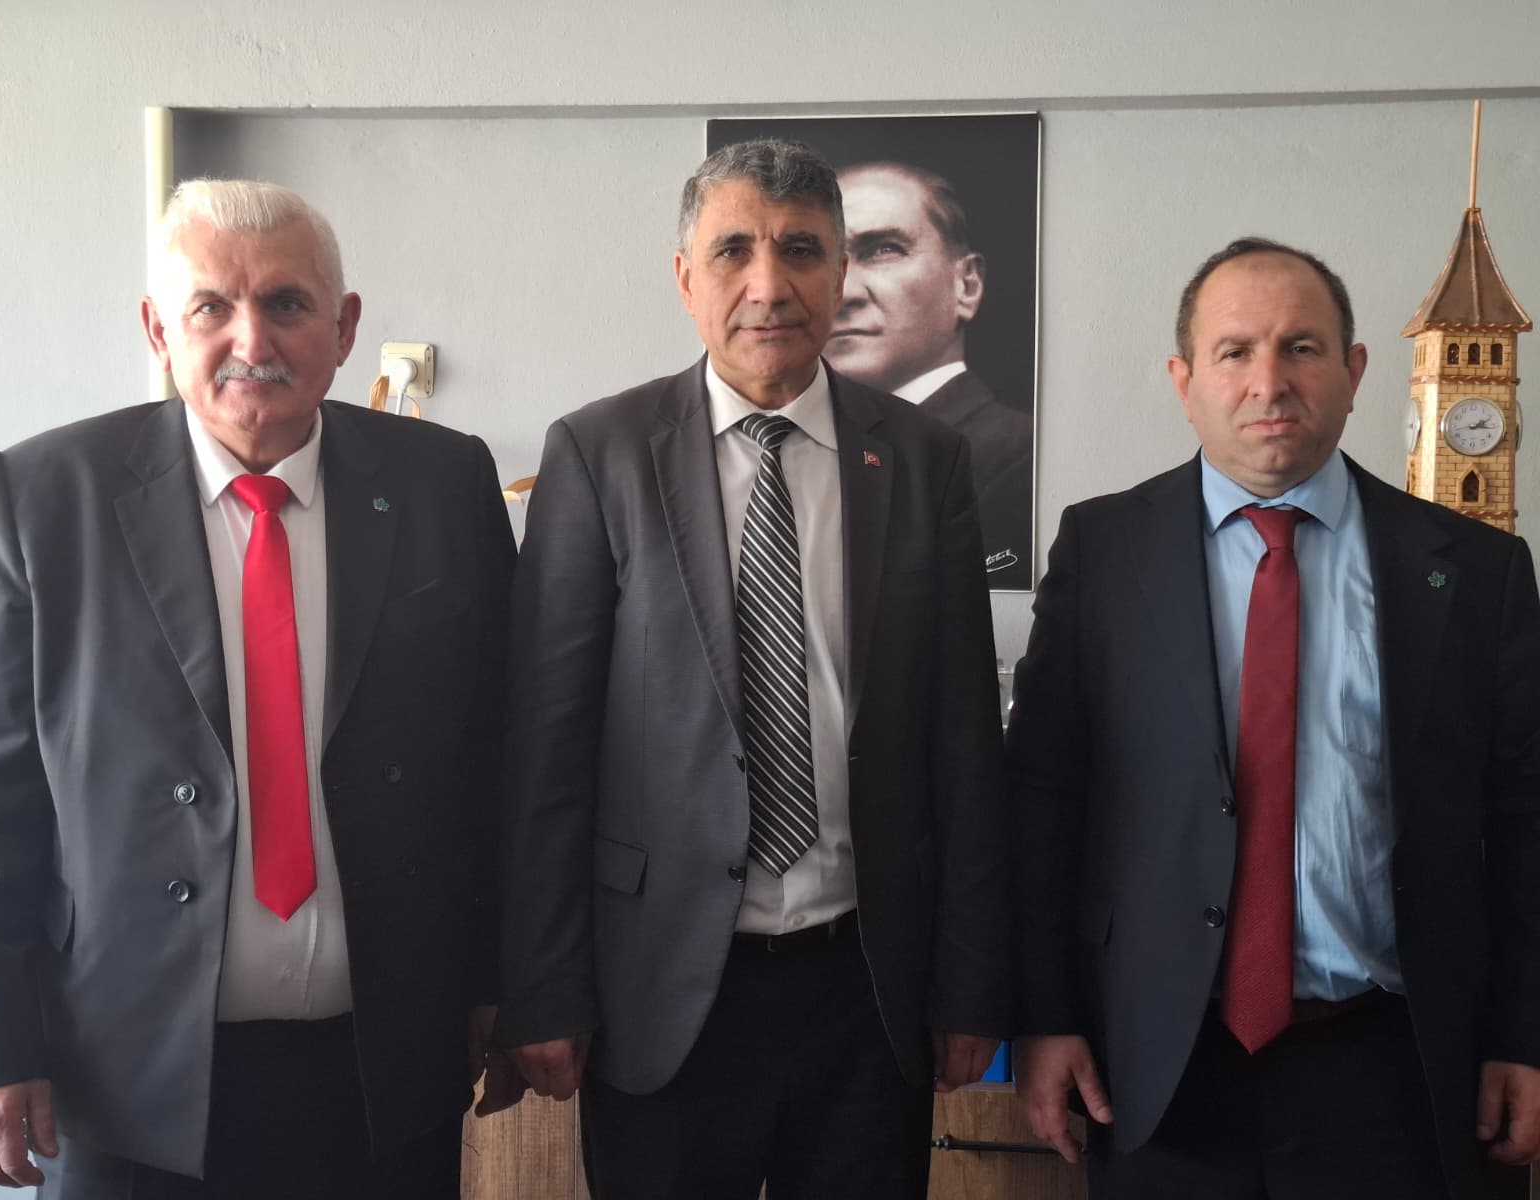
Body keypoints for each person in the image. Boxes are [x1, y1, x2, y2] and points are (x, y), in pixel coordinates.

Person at [0, 180, 520, 1198]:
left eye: (288, 303)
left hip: (385, 1068)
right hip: (126, 1076)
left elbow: (500, 757)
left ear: (344, 327)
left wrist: (506, 984)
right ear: (158, 329)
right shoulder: (41, 500)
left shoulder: (445, 485)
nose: (252, 340)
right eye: (211, 306)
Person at [496, 138, 1009, 1198]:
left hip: (866, 990)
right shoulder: (599, 454)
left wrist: (969, 982)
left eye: (801, 250)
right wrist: (544, 987)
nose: (768, 285)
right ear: (686, 277)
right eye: (734, 250)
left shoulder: (925, 460)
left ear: (838, 272)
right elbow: (548, 750)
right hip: (660, 987)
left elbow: (963, 742)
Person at [1005, 236, 1540, 1199]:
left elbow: (1525, 821)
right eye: (1235, 351)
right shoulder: (1103, 553)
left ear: (1355, 372)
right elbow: (1043, 804)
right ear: (1184, 381)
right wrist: (1046, 1018)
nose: (1270, 382)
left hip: (1399, 1070)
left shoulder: (1477, 572)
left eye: (1302, 347)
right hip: (1157, 1070)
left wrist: (1524, 1035)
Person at [827, 161, 1034, 587]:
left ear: (967, 286)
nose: (843, 293)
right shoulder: (792, 456)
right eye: (825, 258)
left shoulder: (1020, 458)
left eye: (883, 250)